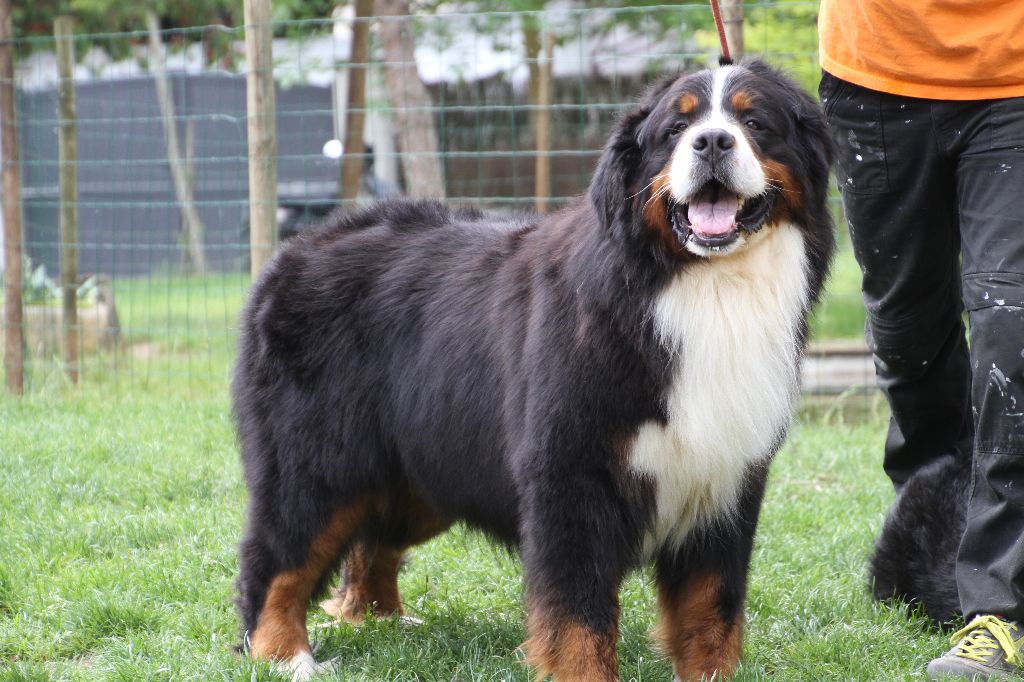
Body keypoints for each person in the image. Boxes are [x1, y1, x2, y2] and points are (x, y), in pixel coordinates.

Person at [817, 2, 1024, 679]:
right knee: (908, 334)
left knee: (1010, 327)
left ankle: (997, 602)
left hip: (1014, 70)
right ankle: (934, 546)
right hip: (876, 68)